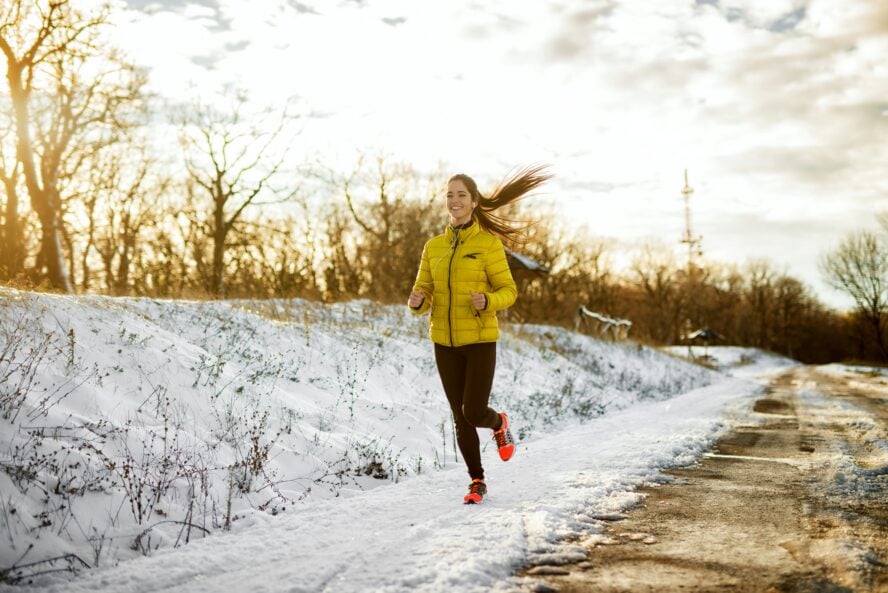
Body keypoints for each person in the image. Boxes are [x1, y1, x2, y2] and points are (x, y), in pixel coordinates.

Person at [407, 165, 551, 504]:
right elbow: (422, 289)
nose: (454, 200)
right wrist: (417, 301)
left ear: (473, 202)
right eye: (450, 195)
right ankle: (477, 481)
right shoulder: (434, 246)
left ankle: (499, 421)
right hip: (444, 341)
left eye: (461, 195)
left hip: (480, 340)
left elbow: (509, 291)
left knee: (473, 411)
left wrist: (487, 300)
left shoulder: (488, 245)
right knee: (459, 416)